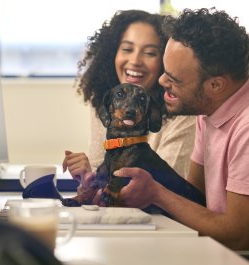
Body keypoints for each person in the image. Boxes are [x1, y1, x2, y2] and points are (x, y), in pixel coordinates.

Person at [102, 8, 249, 250]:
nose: (161, 81)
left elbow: (239, 236)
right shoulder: (209, 110)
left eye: (174, 79)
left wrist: (157, 193)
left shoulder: (245, 128)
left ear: (215, 85)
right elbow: (195, 202)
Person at [63, 10, 196, 182]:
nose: (135, 60)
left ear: (165, 62)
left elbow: (167, 190)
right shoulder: (108, 105)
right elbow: (103, 176)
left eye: (149, 53)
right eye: (127, 49)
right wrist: (88, 175)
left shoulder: (183, 115)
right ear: (112, 54)